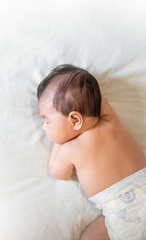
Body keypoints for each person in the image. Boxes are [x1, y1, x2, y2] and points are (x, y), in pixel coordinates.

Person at [37, 64, 146, 240]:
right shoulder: (110, 121)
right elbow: (100, 101)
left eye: (47, 120)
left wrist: (59, 140)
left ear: (75, 119)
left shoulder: (70, 149)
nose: (43, 126)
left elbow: (56, 172)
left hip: (123, 217)